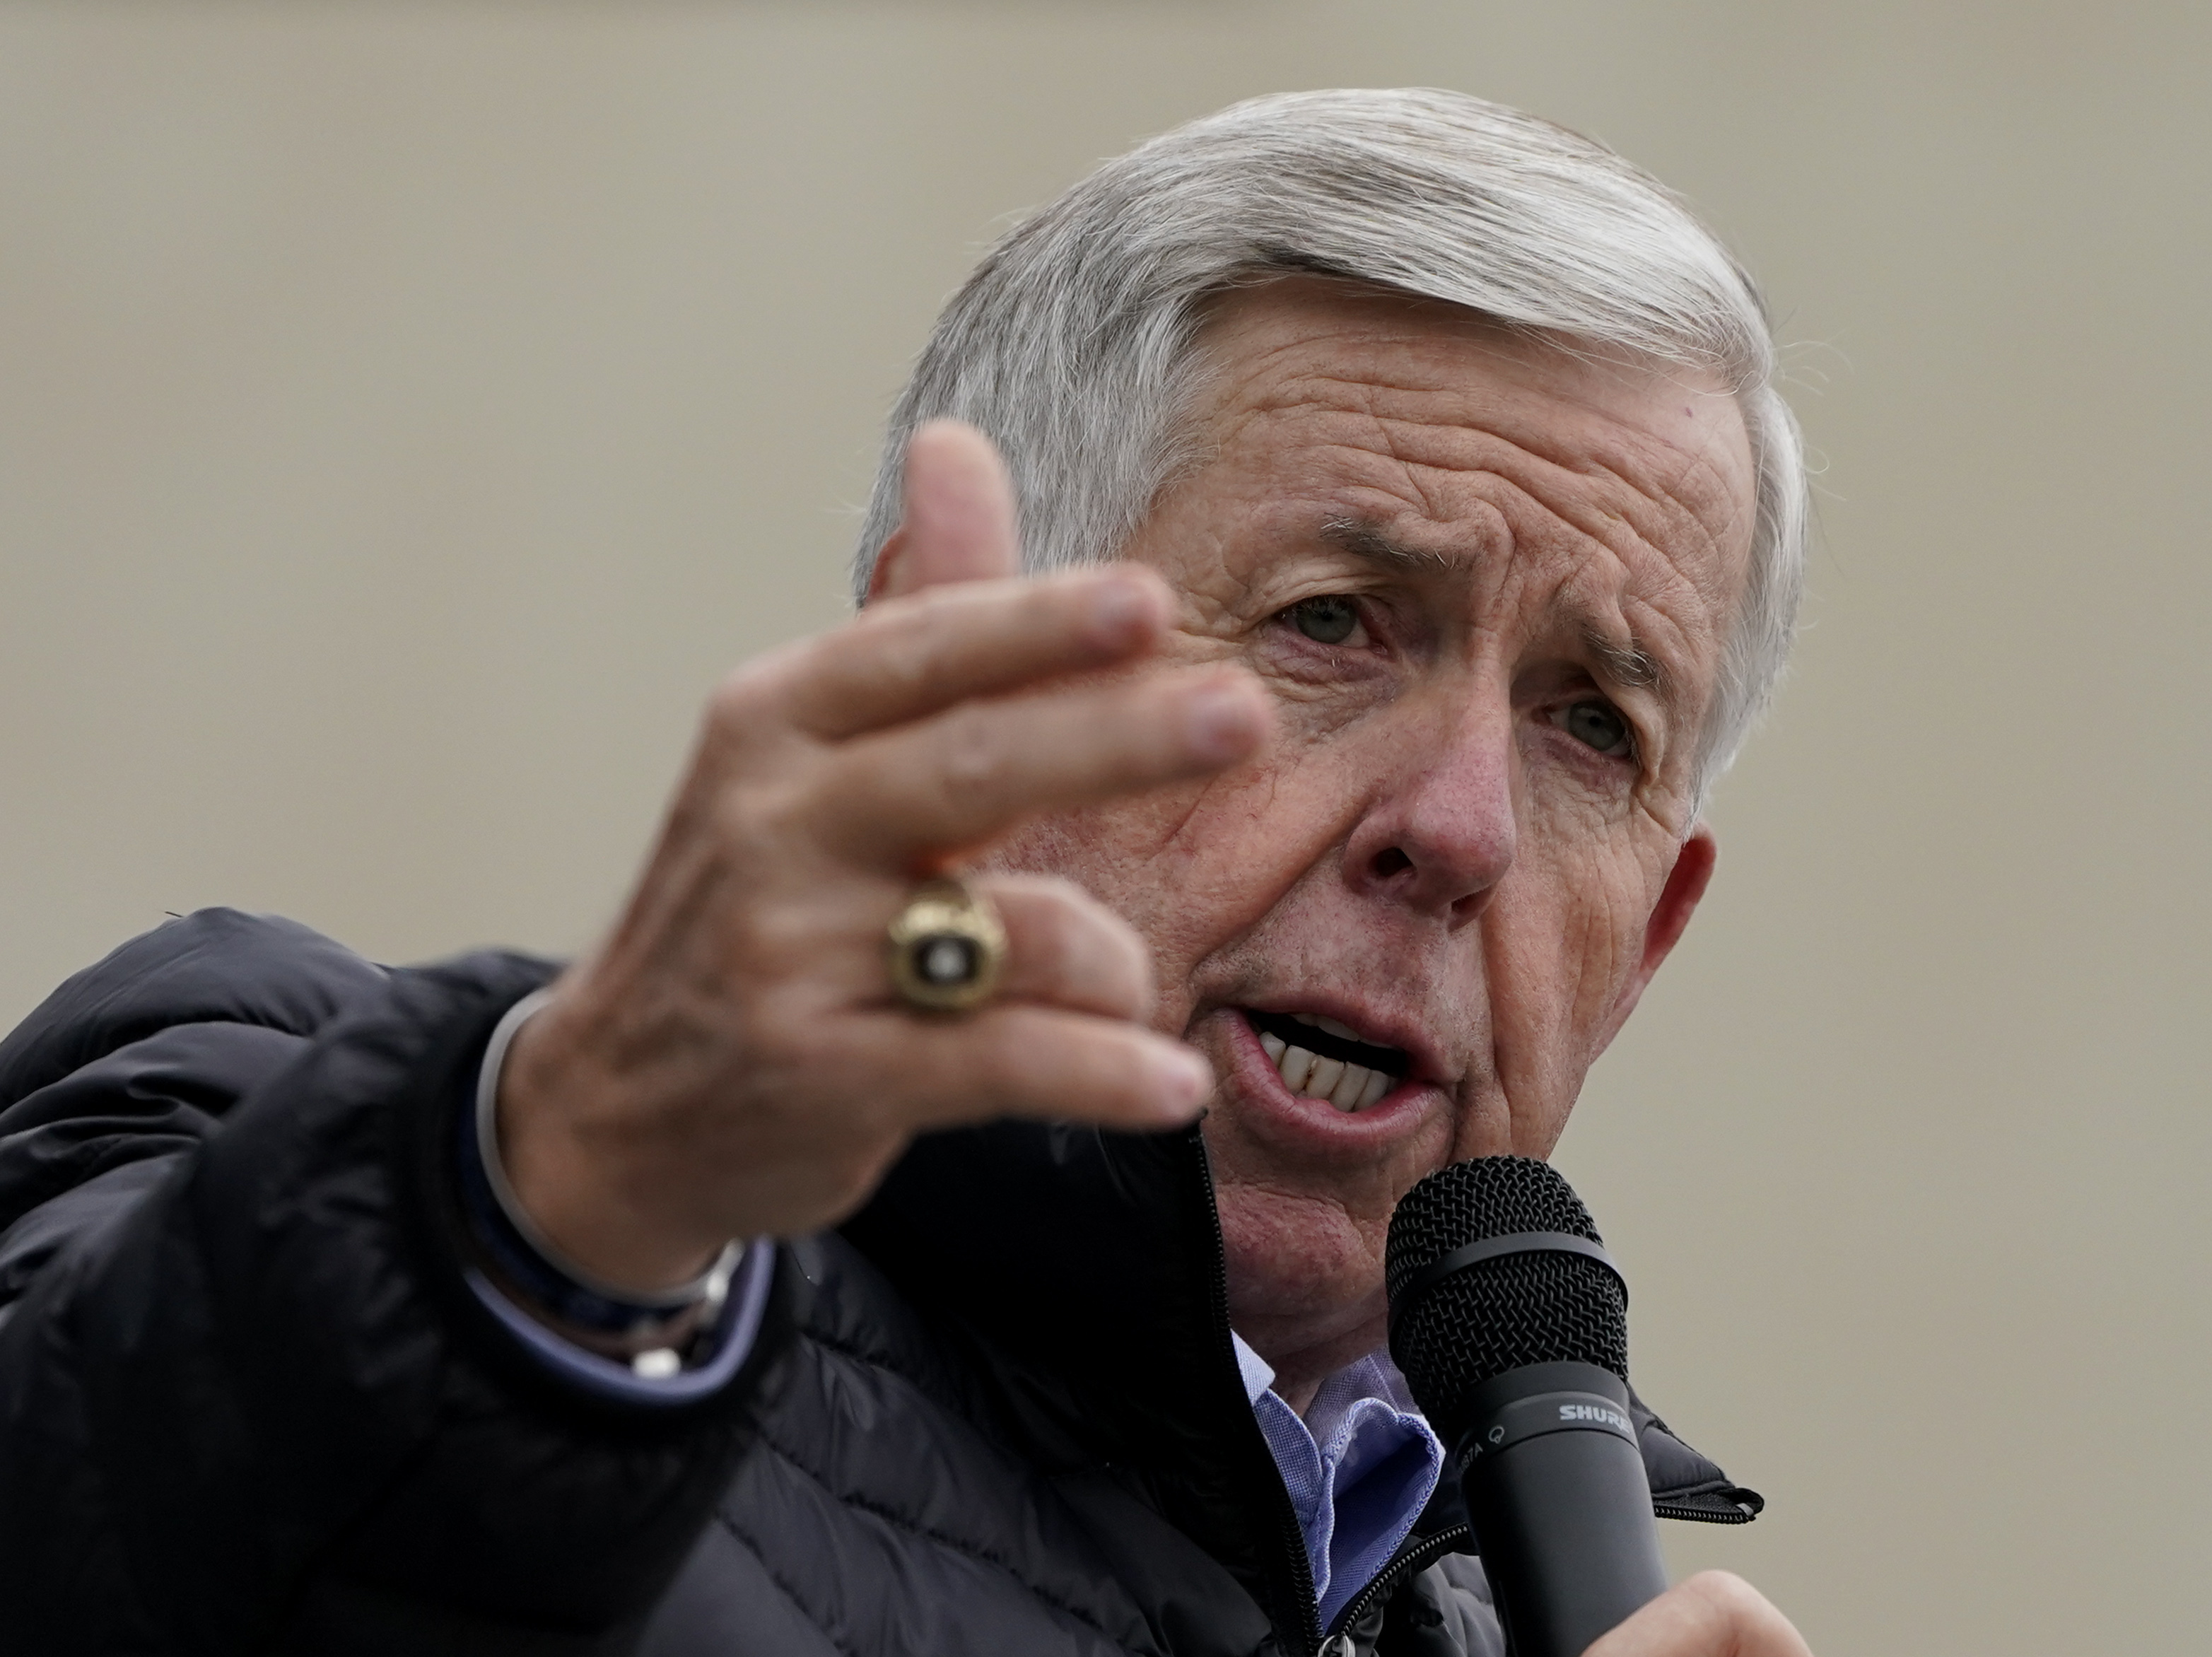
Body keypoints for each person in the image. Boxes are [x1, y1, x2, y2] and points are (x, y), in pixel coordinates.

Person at [0, 89, 1815, 1656]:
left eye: (1590, 725)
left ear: (1644, 939)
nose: (1460, 828)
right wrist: (566, 1188)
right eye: (1332, 622)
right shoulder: (307, 1131)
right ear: (943, 686)